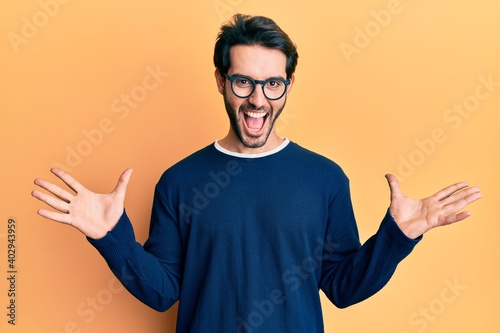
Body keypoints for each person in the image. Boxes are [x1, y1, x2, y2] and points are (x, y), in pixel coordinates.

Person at [32, 14, 481, 333]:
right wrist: (111, 238)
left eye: (273, 84)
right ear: (221, 81)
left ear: (287, 86)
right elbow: (163, 292)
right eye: (243, 81)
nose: (257, 100)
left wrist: (398, 237)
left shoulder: (324, 178)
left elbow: (343, 287)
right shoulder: (179, 181)